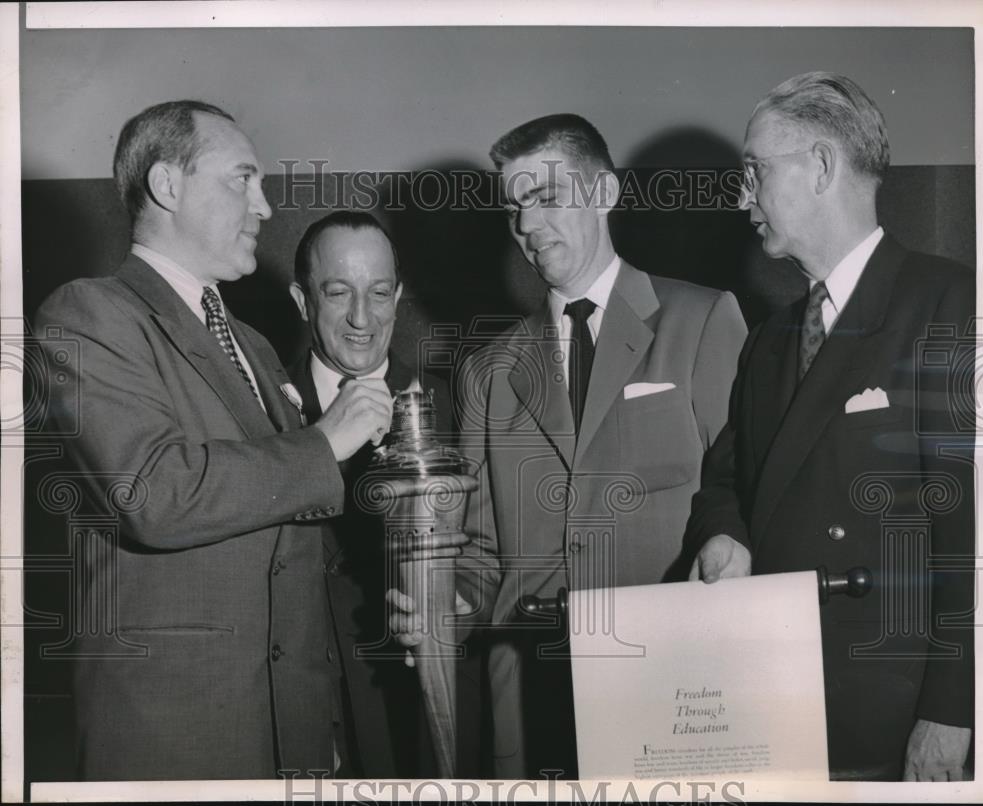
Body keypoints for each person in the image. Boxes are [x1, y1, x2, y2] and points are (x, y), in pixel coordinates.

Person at [33, 101, 392, 781]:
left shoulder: (250, 343)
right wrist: (326, 441)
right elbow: (155, 493)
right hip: (171, 739)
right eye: (242, 180)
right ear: (167, 186)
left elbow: (286, 531)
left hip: (288, 733)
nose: (263, 206)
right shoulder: (88, 315)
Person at [395, 113, 747, 779]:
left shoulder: (702, 319)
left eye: (547, 198)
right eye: (515, 207)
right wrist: (449, 604)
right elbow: (480, 553)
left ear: (606, 194)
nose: (527, 227)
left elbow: (741, 498)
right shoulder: (486, 370)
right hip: (531, 702)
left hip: (674, 687)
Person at [684, 72, 975, 781]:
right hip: (777, 696)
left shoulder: (951, 302)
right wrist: (725, 533)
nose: (740, 195)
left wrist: (955, 707)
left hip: (897, 705)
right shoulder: (771, 337)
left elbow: (980, 530)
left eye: (754, 171)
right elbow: (727, 478)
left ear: (820, 166)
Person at [285, 210, 482, 777]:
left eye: (378, 293)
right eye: (338, 292)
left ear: (398, 296)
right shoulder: (259, 410)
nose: (361, 318)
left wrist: (457, 605)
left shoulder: (460, 406)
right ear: (303, 302)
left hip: (430, 720)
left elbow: (492, 553)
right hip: (312, 723)